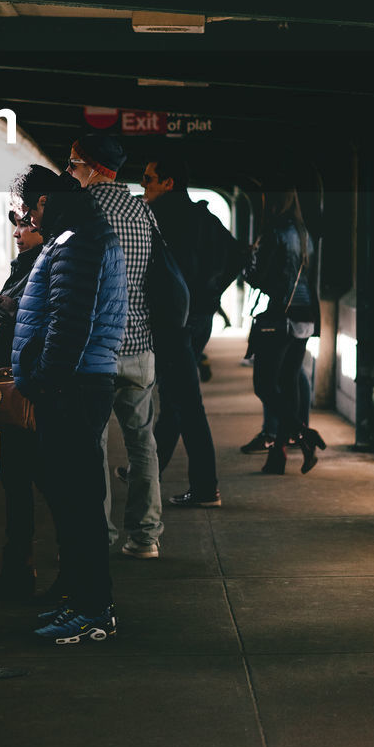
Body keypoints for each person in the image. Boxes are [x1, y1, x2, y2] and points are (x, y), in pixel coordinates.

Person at [10, 163, 127, 645]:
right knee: (75, 501)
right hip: (76, 385)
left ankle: (92, 611)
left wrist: (44, 382)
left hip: (74, 387)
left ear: (46, 202)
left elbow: (70, 321)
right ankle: (82, 601)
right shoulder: (79, 235)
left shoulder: (78, 240)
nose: (28, 220)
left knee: (79, 504)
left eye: (30, 208)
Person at [66, 131, 163, 558]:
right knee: (143, 445)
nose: (69, 173)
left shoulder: (83, 209)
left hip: (96, 351)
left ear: (91, 167)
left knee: (94, 450)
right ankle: (145, 537)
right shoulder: (144, 212)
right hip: (140, 348)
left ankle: (98, 538)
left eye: (72, 165)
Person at [141, 153, 244, 508]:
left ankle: (205, 488)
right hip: (198, 321)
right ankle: (149, 469)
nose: (144, 184)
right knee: (175, 400)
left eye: (150, 178)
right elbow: (237, 256)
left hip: (174, 326)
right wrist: (209, 296)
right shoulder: (204, 215)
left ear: (168, 183)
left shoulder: (161, 218)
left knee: (187, 405)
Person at [0, 204, 48, 602]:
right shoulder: (25, 265)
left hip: (32, 388)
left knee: (34, 481)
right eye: (17, 225)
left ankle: (31, 573)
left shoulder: (44, 265)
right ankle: (18, 568)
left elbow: (48, 320)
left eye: (25, 225)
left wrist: (3, 330)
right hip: (21, 382)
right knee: (17, 478)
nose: (17, 233)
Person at [243, 183, 325, 474]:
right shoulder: (306, 235)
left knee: (264, 385)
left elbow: (258, 277)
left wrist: (246, 262)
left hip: (279, 318)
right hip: (304, 319)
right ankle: (278, 455)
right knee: (289, 384)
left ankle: (302, 434)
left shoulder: (274, 233)